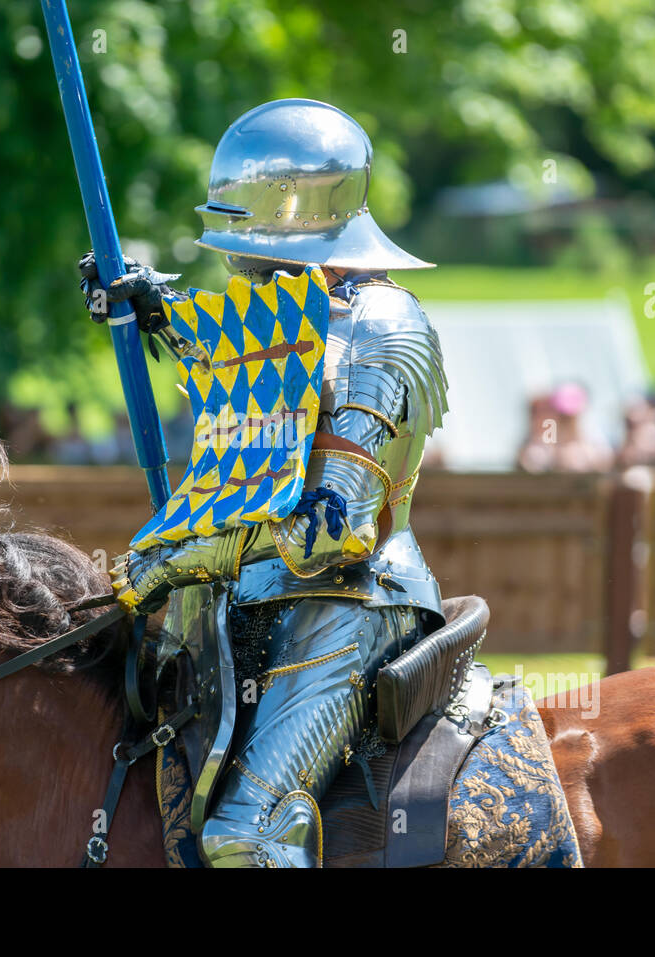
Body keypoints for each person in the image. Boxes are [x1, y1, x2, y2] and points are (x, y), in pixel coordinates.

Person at [78, 99, 447, 867]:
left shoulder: (384, 325)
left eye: (243, 246)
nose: (232, 263)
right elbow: (251, 373)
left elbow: (331, 529)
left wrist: (179, 559)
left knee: (244, 835)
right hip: (235, 605)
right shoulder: (294, 309)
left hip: (348, 602)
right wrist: (150, 309)